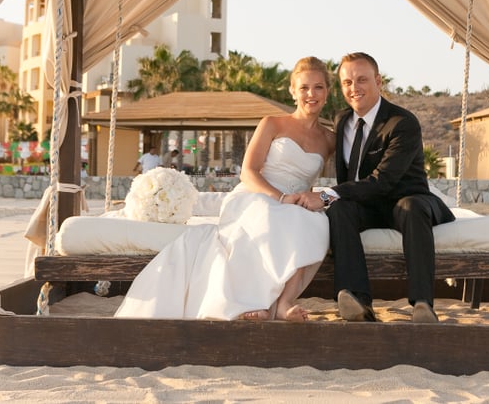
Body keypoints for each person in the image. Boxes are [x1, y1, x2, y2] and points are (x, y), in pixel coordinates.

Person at [114, 56, 336, 322]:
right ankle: (256, 301)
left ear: (327, 91)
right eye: (304, 87)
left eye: (318, 87)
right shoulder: (273, 123)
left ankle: (284, 302)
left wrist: (315, 199)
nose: (311, 94)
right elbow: (248, 171)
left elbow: (315, 184)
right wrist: (280, 197)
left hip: (296, 202)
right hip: (258, 194)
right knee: (270, 215)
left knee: (314, 222)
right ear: (292, 91)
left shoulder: (329, 139)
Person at [296, 52, 455, 323]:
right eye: (347, 82)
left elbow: (384, 181)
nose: (353, 88)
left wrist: (324, 195)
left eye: (361, 80)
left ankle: (422, 305)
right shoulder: (342, 120)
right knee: (339, 209)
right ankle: (356, 300)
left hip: (406, 200)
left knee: (411, 206)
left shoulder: (402, 123)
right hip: (368, 207)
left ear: (378, 81)